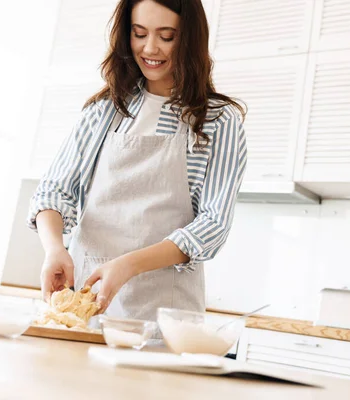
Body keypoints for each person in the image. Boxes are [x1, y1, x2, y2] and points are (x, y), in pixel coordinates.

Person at [27, 0, 247, 321]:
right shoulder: (105, 110)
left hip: (164, 318)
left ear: (189, 38)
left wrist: (128, 264)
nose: (150, 48)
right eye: (139, 33)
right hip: (85, 311)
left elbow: (212, 225)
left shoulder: (217, 120)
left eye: (167, 36)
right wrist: (55, 250)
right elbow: (52, 193)